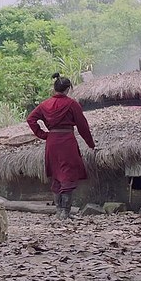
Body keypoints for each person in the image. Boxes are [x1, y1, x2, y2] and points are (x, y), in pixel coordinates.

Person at [26, 73, 96, 220]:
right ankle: (65, 212)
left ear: (55, 88)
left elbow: (31, 119)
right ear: (68, 89)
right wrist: (91, 144)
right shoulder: (72, 104)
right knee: (68, 174)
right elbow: (83, 126)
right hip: (67, 141)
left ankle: (59, 211)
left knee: (57, 174)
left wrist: (43, 134)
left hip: (52, 142)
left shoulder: (44, 105)